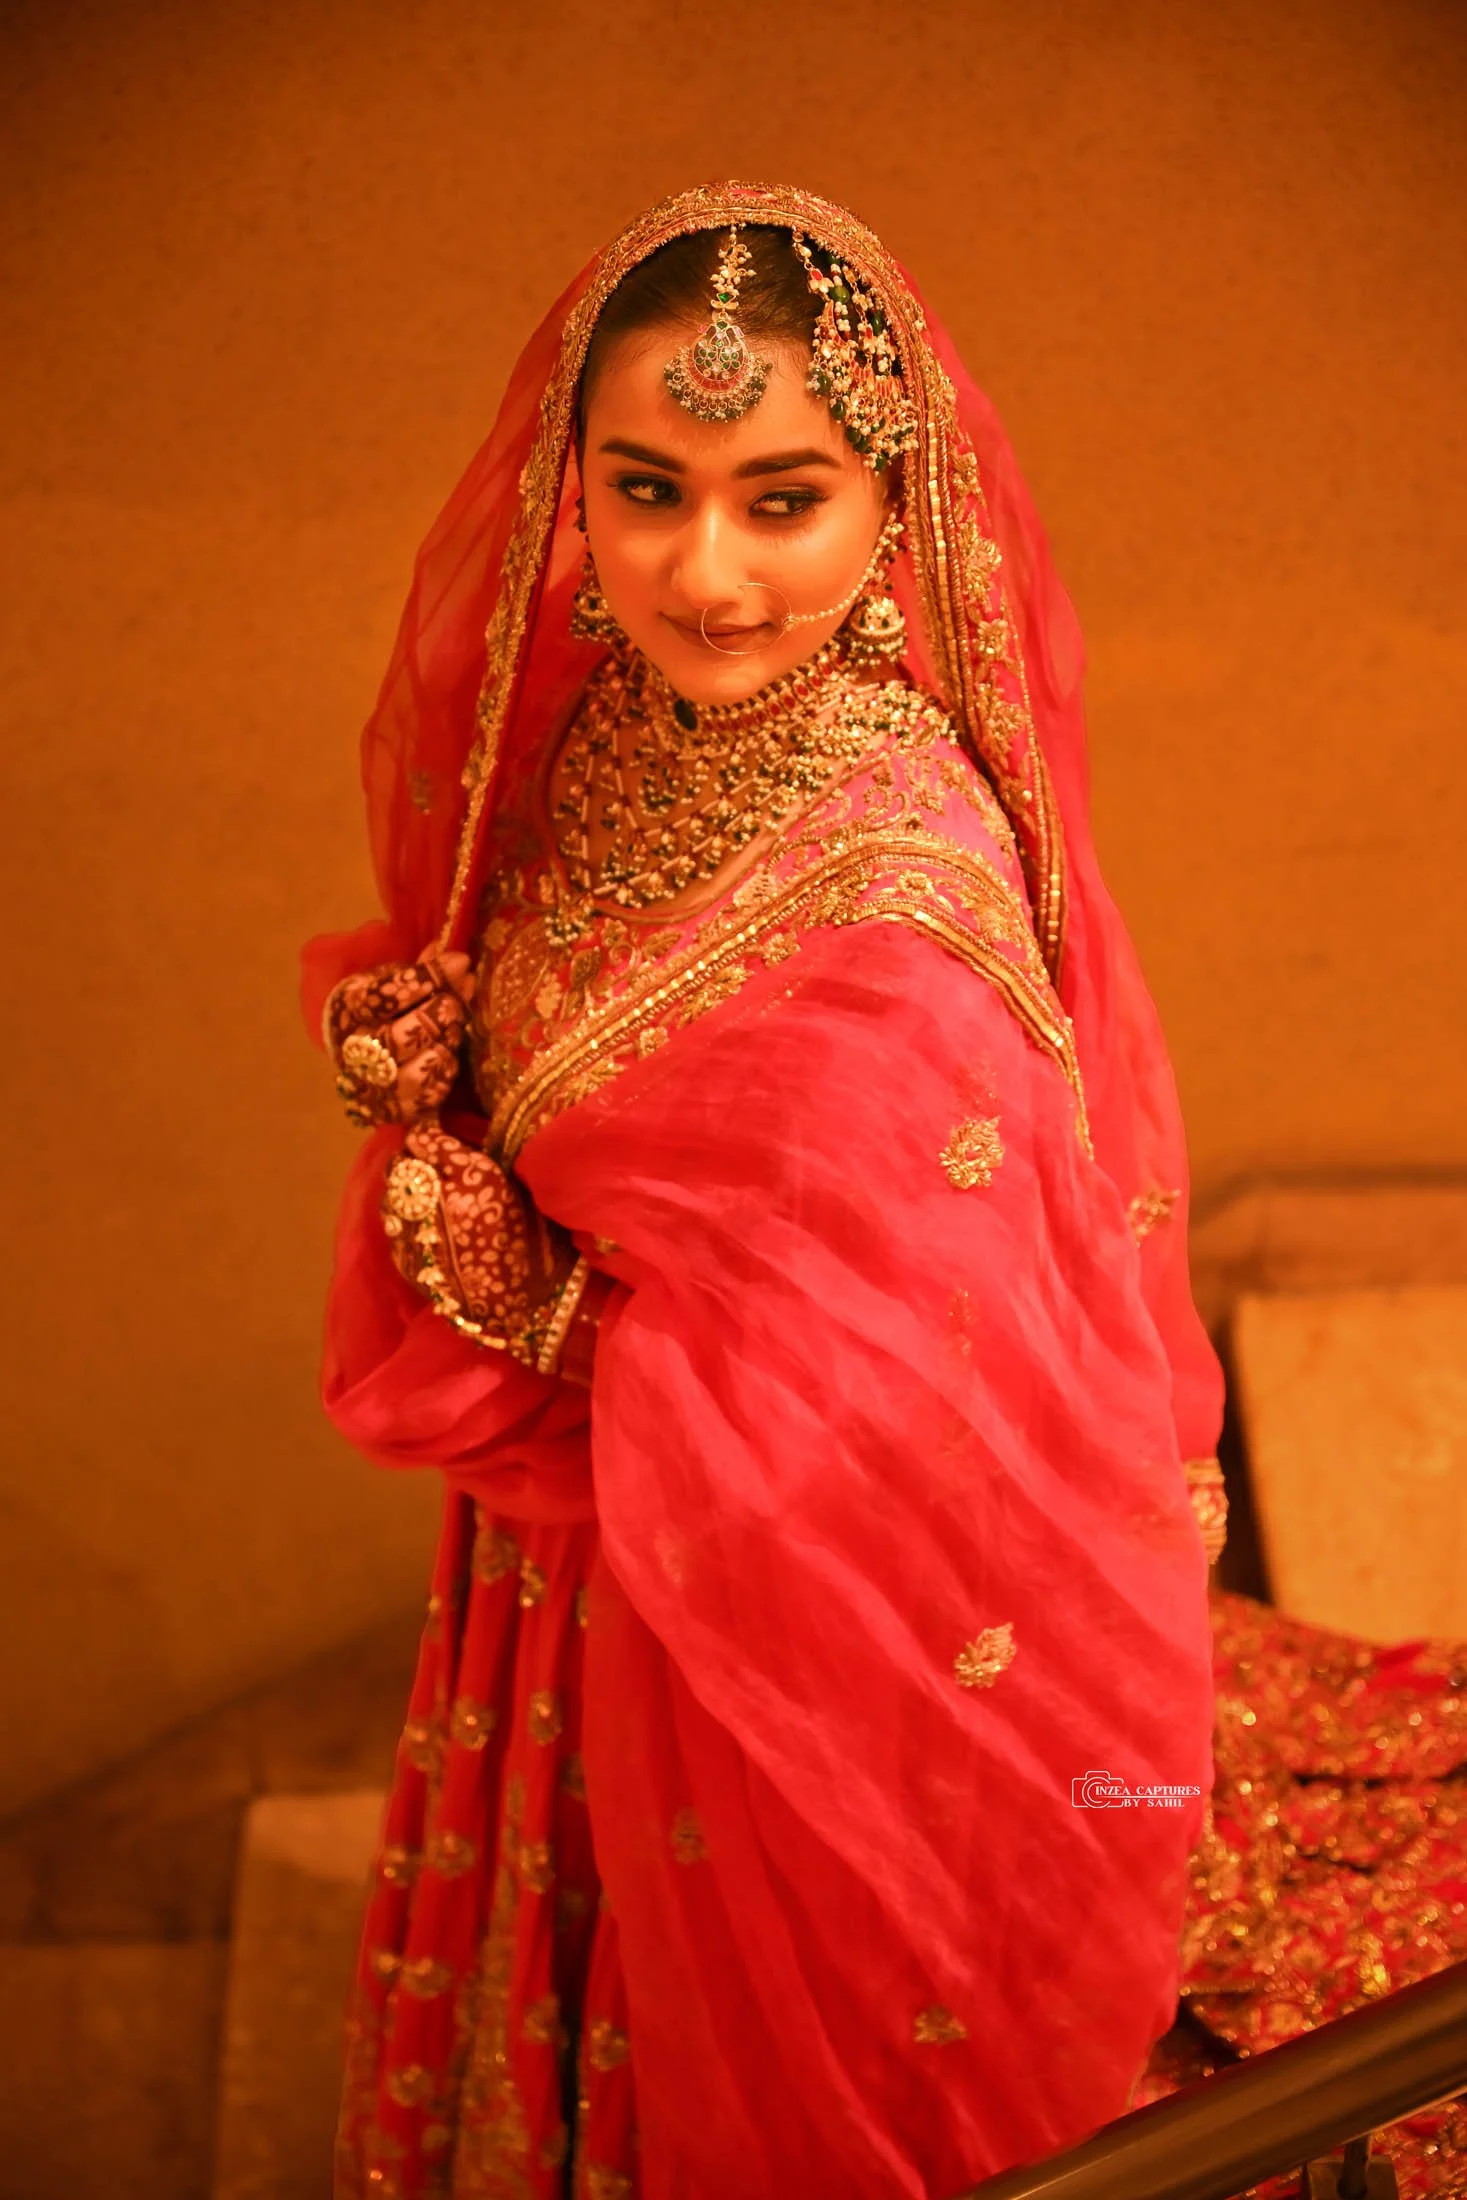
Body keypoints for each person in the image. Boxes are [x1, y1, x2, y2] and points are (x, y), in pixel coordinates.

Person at [306, 184, 1466, 2200]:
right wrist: (449, 1060)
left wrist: (553, 1315)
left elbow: (888, 1440)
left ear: (887, 503)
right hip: (591, 1589)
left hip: (788, 1651)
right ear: (570, 489)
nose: (707, 569)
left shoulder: (895, 895)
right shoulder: (606, 738)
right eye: (647, 488)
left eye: (786, 497)